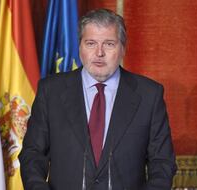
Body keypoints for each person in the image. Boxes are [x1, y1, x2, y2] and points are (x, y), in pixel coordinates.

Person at [19, 8, 177, 190]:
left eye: (109, 44)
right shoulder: (51, 91)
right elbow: (32, 155)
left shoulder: (149, 94)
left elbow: (162, 163)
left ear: (123, 48)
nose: (99, 53)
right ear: (79, 47)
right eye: (91, 43)